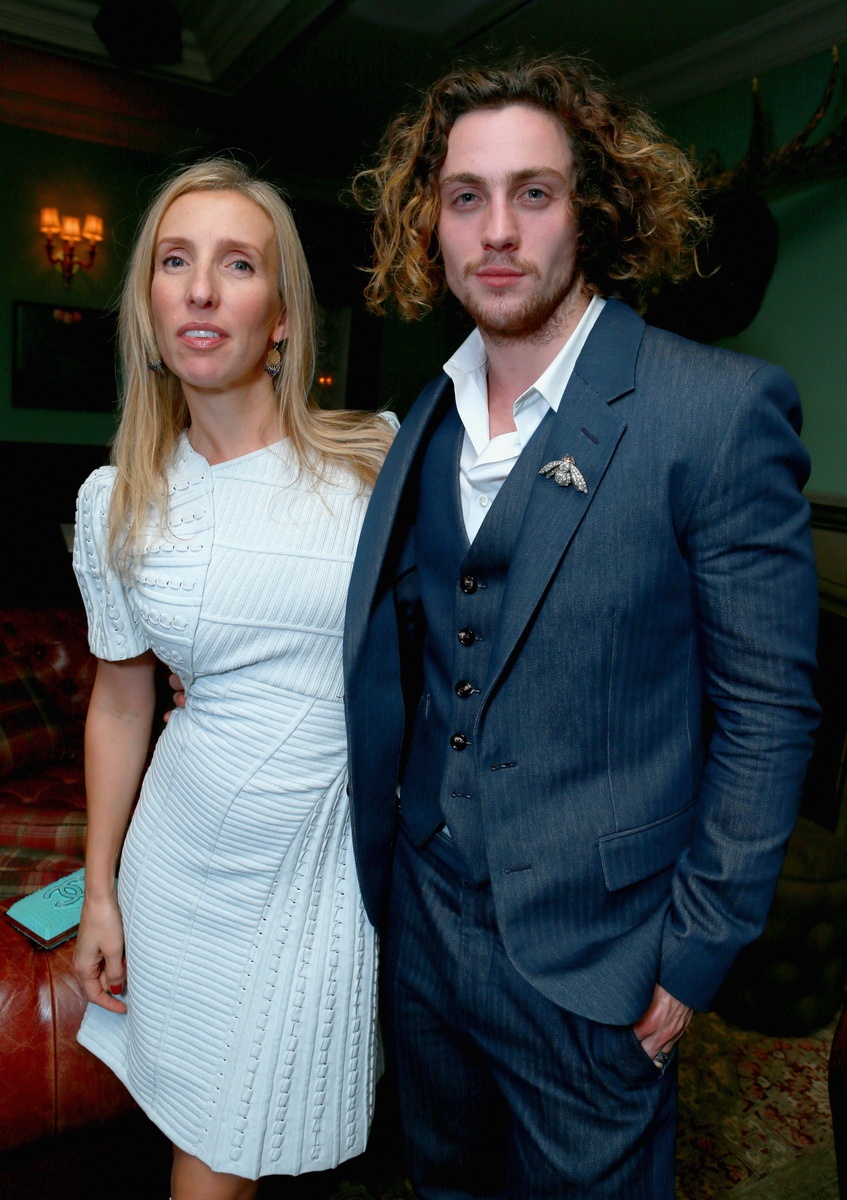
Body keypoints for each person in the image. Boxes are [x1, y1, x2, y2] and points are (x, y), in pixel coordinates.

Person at [343, 55, 821, 1197]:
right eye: (465, 197)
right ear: (430, 224)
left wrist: (692, 955)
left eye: (534, 193)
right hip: (423, 926)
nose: (497, 230)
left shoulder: (717, 410)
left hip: (599, 961)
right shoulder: (426, 414)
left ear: (591, 210)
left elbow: (768, 715)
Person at [72, 157, 394, 1200]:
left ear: (284, 316)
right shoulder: (117, 501)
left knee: (238, 1147)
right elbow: (122, 703)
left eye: (238, 264)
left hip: (319, 875)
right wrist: (101, 892)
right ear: (149, 307)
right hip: (177, 866)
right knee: (209, 1150)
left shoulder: (374, 465)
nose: (202, 289)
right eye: (175, 262)